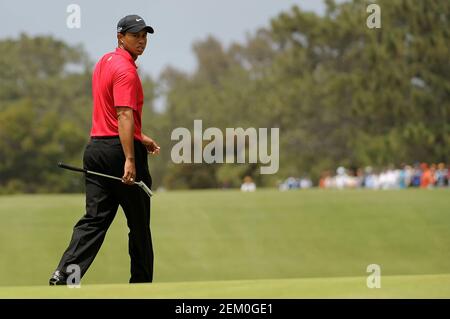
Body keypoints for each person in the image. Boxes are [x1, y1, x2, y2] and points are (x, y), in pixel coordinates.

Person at [49, 14, 160, 285]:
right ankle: (141, 285)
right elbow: (123, 114)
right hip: (119, 152)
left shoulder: (104, 62)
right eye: (135, 35)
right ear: (120, 36)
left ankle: (64, 276)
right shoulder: (126, 71)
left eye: (145, 36)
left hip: (96, 148)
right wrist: (130, 158)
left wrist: (139, 135)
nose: (141, 41)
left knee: (94, 221)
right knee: (139, 225)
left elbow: (110, 114)